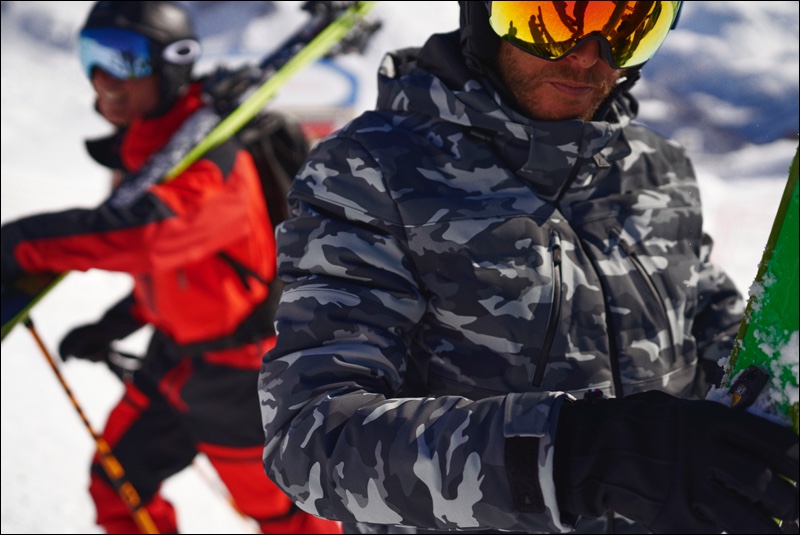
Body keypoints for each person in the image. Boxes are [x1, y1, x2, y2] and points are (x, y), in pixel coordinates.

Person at [257, 2, 799, 534]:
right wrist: (584, 454)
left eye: (627, 26)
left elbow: (717, 338)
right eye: (550, 17)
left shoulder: (658, 167)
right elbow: (311, 441)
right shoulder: (370, 171)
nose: (588, 56)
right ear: (482, 16)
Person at [0, 1, 341, 534]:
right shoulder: (155, 155)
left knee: (290, 521)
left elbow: (151, 235)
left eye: (125, 58)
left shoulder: (216, 162)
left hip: (241, 380)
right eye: (92, 55)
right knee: (118, 488)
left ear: (172, 64)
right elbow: (186, 275)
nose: (103, 76)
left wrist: (21, 244)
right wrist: (117, 322)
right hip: (174, 364)